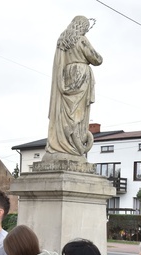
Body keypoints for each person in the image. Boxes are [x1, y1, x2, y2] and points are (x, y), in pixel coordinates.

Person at [44, 15, 103, 159]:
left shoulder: (62, 41)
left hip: (65, 76)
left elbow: (59, 62)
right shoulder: (81, 39)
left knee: (66, 112)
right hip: (81, 75)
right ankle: (74, 147)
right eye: (86, 28)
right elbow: (97, 59)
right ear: (82, 26)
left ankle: (64, 143)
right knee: (78, 114)